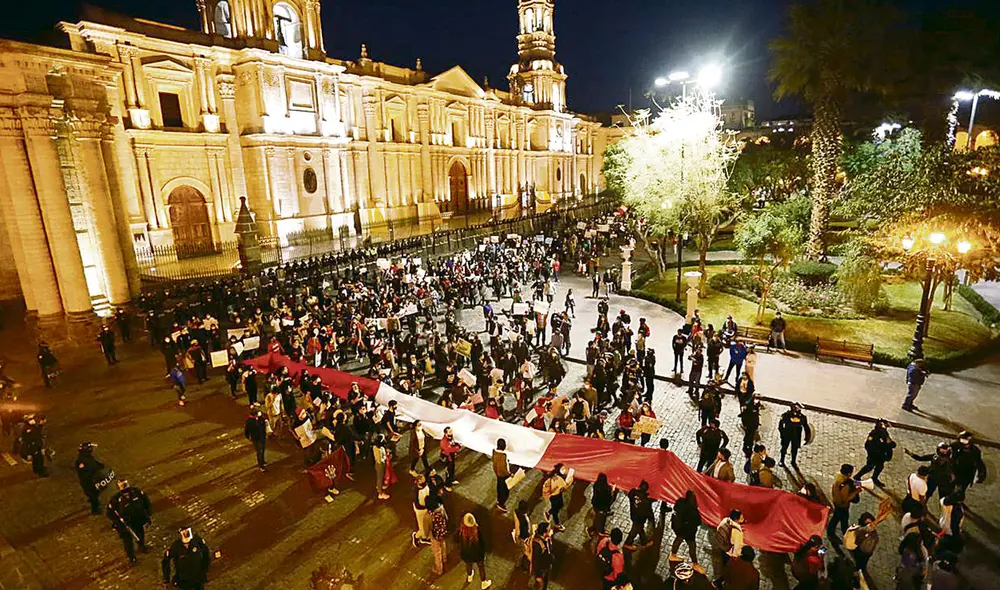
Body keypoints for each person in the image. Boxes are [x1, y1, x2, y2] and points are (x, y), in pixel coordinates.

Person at [106, 479, 152, 565]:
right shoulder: (115, 499)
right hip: (125, 524)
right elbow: (110, 513)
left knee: (140, 534)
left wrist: (148, 515)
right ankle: (132, 558)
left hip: (137, 519)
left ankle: (141, 546)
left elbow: (146, 501)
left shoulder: (136, 492)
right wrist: (118, 522)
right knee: (128, 541)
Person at [827, 464, 862, 548]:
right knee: (843, 521)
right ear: (849, 473)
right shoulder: (845, 485)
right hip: (842, 506)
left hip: (837, 504)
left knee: (836, 518)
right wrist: (855, 492)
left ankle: (831, 532)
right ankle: (846, 537)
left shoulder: (838, 480)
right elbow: (845, 499)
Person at [855, 419, 895, 486]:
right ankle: (857, 476)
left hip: (881, 455)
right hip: (874, 455)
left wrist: (891, 445)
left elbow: (888, 442)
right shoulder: (873, 434)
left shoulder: (884, 433)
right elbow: (868, 445)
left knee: (879, 467)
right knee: (869, 466)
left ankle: (874, 478)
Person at [457, 513, 492, 589]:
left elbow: (457, 540)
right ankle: (483, 583)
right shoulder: (477, 531)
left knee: (468, 565)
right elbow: (482, 543)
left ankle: (469, 576)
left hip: (466, 553)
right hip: (478, 554)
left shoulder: (462, 531)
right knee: (481, 567)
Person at [670, 490, 702, 567]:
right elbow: (698, 522)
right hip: (688, 531)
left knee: (678, 539)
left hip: (678, 527)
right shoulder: (692, 510)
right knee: (692, 546)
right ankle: (695, 564)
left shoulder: (680, 502)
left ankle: (673, 555)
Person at [76, 441, 107, 514]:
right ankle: (95, 510)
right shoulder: (85, 461)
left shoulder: (84, 458)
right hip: (89, 482)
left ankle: (92, 500)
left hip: (88, 481)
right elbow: (93, 468)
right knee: (93, 495)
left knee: (92, 494)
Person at [542, 463, 573, 531]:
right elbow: (565, 486)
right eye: (562, 469)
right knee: (555, 510)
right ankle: (557, 523)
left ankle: (549, 512)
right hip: (554, 496)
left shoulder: (556, 476)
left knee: (560, 505)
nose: (564, 470)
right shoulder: (558, 478)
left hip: (557, 494)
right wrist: (570, 478)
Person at [778, 403, 810, 468]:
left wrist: (807, 438)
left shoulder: (802, 417)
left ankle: (793, 461)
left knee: (794, 449)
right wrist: (782, 434)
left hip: (796, 436)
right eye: (796, 409)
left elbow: (806, 427)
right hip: (787, 434)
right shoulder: (786, 415)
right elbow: (780, 425)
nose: (797, 410)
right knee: (784, 448)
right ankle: (782, 460)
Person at [624, 480, 654, 548]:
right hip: (640, 519)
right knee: (634, 530)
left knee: (640, 528)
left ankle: (644, 541)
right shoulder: (646, 501)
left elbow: (630, 494)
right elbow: (648, 512)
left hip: (633, 515)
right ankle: (628, 543)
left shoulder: (633, 492)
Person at [529, 521, 553, 589]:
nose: (551, 531)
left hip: (546, 567)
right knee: (538, 587)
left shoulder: (547, 539)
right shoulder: (537, 544)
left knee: (544, 585)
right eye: (549, 530)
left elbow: (549, 550)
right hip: (541, 569)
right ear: (544, 532)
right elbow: (535, 560)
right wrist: (538, 575)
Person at [492, 438, 515, 513]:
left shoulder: (494, 452)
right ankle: (501, 504)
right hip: (503, 476)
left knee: (499, 488)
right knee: (505, 491)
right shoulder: (503, 456)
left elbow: (495, 464)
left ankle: (499, 501)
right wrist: (509, 474)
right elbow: (504, 468)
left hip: (498, 474)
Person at [428, 495, 448, 575]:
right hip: (442, 531)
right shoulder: (441, 508)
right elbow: (446, 518)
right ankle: (445, 558)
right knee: (443, 544)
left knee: (437, 552)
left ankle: (439, 569)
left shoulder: (431, 516)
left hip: (435, 535)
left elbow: (429, 527)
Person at [411, 474, 433, 547]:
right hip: (420, 511)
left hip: (426, 508)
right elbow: (417, 504)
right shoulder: (416, 491)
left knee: (428, 525)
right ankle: (416, 536)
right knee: (422, 528)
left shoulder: (426, 486)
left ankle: (424, 538)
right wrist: (426, 507)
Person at [244, 405, 268, 471]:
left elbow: (263, 424)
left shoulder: (259, 418)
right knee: (259, 451)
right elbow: (247, 431)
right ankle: (261, 465)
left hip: (262, 436)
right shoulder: (250, 421)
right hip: (256, 438)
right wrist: (248, 437)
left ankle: (262, 461)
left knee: (263, 449)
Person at [373, 434, 390, 500]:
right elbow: (380, 459)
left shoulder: (376, 447)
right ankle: (380, 493)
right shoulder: (379, 449)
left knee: (380, 477)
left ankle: (379, 487)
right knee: (380, 477)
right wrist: (386, 457)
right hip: (380, 464)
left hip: (378, 464)